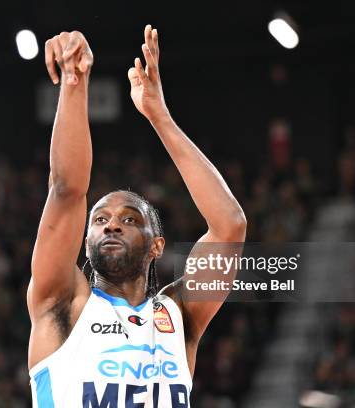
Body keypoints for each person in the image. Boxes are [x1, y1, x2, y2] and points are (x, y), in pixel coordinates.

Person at [28, 25, 246, 407]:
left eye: (130, 219)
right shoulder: (61, 302)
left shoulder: (179, 316)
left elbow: (230, 226)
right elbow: (66, 190)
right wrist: (74, 82)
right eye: (99, 220)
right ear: (85, 240)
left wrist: (159, 116)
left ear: (157, 245)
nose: (112, 223)